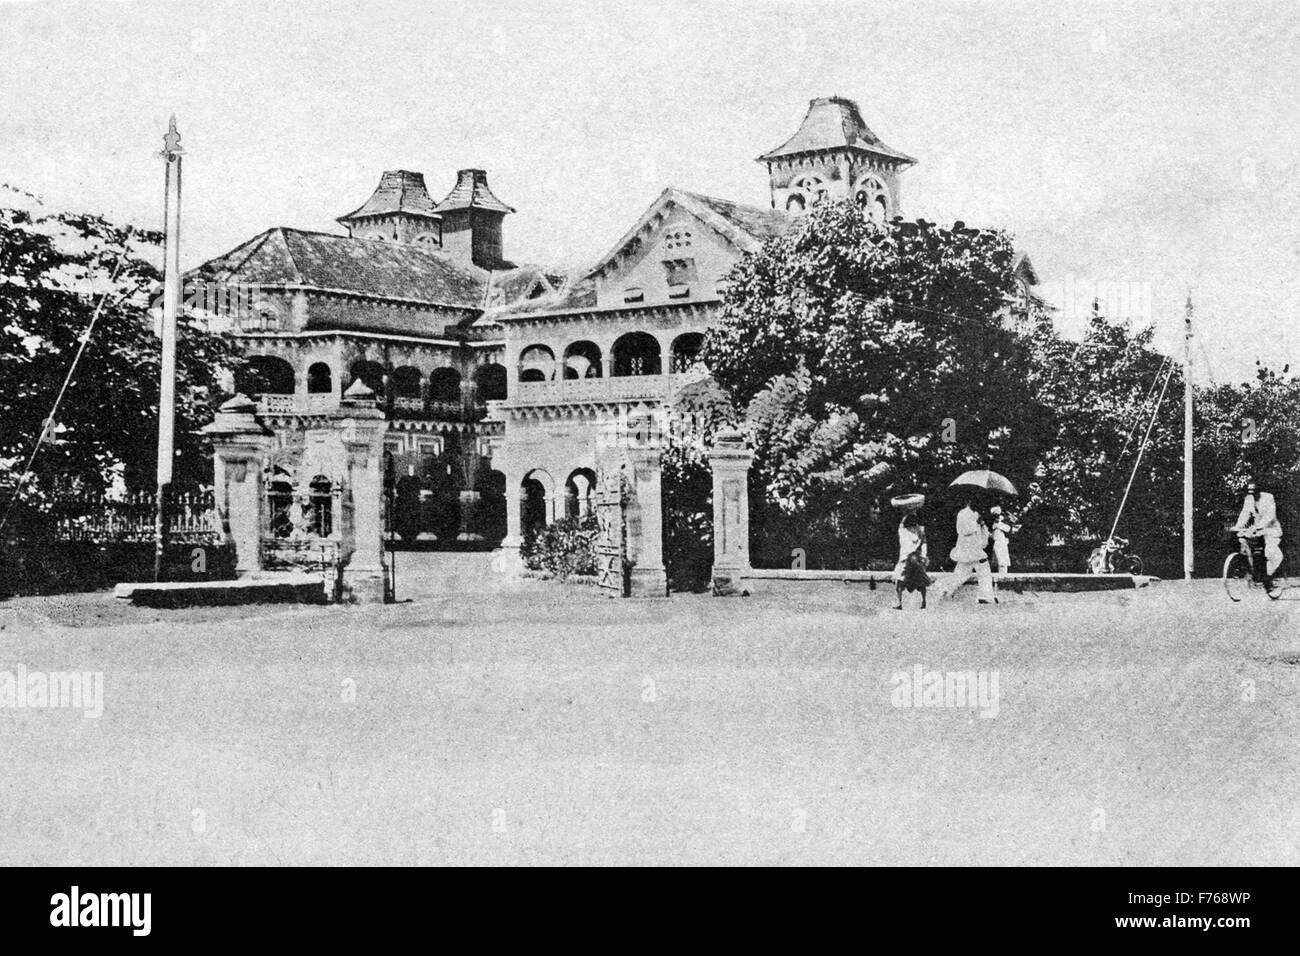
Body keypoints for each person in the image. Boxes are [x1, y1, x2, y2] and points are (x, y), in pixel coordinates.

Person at [941, 497, 997, 604]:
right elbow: (961, 530)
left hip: (974, 549)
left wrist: (982, 524)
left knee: (963, 573)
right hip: (967, 548)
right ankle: (947, 589)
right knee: (976, 570)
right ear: (969, 502)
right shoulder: (962, 514)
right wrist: (975, 522)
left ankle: (947, 589)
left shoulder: (976, 514)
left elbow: (982, 534)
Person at [1233, 479, 1283, 587]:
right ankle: (1252, 573)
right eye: (1249, 491)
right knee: (1245, 543)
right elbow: (1245, 514)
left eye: (1254, 491)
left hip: (1271, 530)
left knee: (1271, 554)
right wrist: (1238, 526)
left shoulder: (1268, 497)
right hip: (1257, 531)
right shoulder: (1249, 499)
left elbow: (1270, 515)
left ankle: (1268, 578)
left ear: (1258, 490)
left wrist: (1258, 526)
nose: (1252, 494)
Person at [893, 511, 931, 609]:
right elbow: (924, 543)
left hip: (906, 559)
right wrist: (924, 556)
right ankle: (923, 602)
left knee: (900, 582)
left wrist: (906, 511)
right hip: (916, 558)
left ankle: (899, 603)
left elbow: (901, 524)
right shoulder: (920, 531)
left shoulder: (903, 531)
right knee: (921, 580)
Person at [990, 505, 1013, 575]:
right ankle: (1002, 575)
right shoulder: (997, 524)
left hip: (1001, 542)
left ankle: (1003, 575)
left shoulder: (998, 524)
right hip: (999, 543)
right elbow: (1008, 529)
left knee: (1002, 561)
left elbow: (1008, 529)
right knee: (1001, 560)